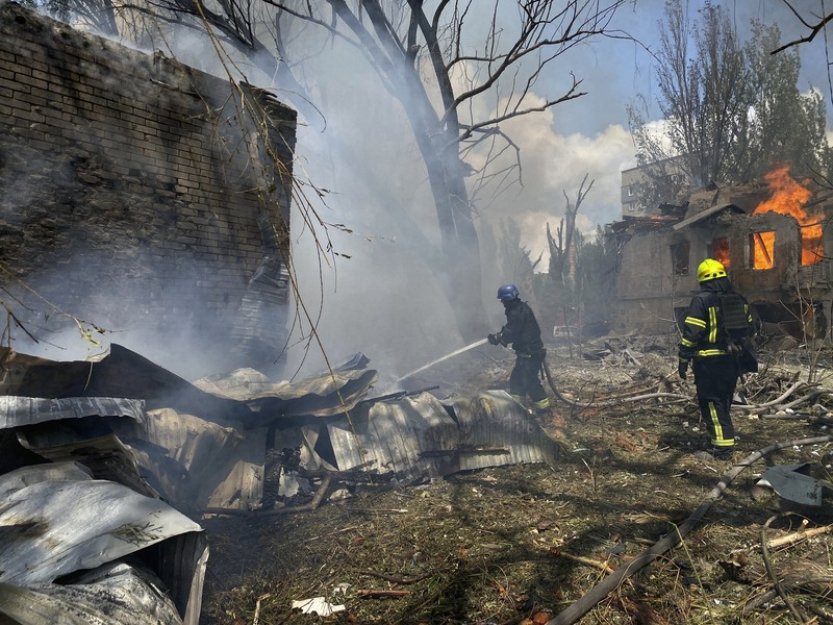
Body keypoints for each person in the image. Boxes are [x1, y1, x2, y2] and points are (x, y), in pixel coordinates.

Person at [678, 258, 755, 461]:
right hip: (732, 361)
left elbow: (692, 333)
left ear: (703, 280)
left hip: (709, 362)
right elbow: (750, 328)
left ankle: (722, 450)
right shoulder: (738, 299)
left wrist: (683, 358)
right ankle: (719, 440)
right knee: (724, 401)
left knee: (712, 403)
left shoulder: (701, 301)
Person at [487, 284, 550, 414]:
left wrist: (499, 338)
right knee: (517, 380)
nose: (502, 302)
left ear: (507, 298)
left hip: (530, 353)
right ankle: (517, 407)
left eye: (502, 299)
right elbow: (513, 328)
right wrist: (501, 335)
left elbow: (512, 332)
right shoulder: (519, 309)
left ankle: (543, 409)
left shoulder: (517, 312)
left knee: (530, 381)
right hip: (527, 353)